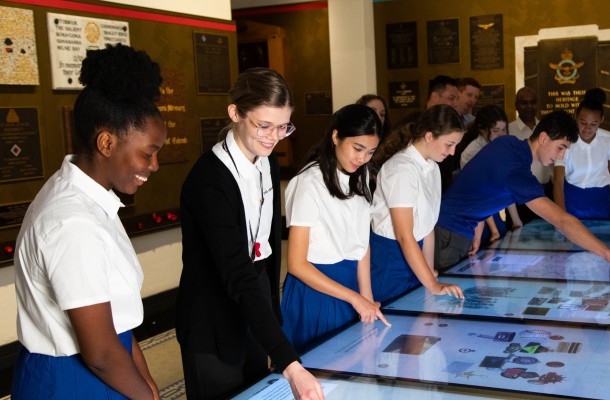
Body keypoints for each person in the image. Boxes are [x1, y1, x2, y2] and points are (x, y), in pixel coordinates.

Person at [12, 44, 164, 399]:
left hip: (110, 364)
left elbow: (117, 322)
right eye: (148, 153)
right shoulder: (72, 222)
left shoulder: (90, 200)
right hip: (71, 380)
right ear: (107, 142)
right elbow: (99, 354)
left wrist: (149, 386)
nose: (154, 166)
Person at [177, 68, 323, 400]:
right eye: (264, 125)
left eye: (283, 126)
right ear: (235, 113)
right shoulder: (209, 181)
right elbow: (237, 271)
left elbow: (267, 250)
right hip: (212, 322)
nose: (273, 137)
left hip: (252, 310)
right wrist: (290, 362)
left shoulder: (266, 160)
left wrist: (271, 320)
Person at [434, 110, 610, 277]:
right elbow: (562, 221)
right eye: (560, 147)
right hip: (449, 235)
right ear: (543, 138)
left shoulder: (507, 144)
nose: (560, 156)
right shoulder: (518, 172)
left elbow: (477, 183)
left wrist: (476, 226)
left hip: (449, 228)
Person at [281, 104, 389, 353]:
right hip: (316, 289)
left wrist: (368, 298)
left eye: (370, 152)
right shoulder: (309, 182)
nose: (362, 158)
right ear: (336, 136)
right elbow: (296, 264)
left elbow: (362, 245)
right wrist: (355, 298)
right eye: (357, 148)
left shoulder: (361, 176)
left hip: (351, 286)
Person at [370, 105, 466, 304]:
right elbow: (404, 235)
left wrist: (429, 274)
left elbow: (427, 228)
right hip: (392, 256)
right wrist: (432, 284)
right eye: (449, 144)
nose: (453, 152)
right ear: (429, 136)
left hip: (416, 252)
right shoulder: (401, 169)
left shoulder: (432, 167)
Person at [458, 105, 522, 244]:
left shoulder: (502, 149)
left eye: (504, 130)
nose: (501, 134)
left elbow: (506, 186)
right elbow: (480, 194)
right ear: (482, 130)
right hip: (476, 216)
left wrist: (516, 221)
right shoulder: (471, 152)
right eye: (496, 130)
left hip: (495, 210)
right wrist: (494, 230)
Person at [553, 88, 610, 219]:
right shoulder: (565, 140)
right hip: (573, 198)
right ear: (575, 116)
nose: (587, 128)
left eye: (593, 124)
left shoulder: (608, 139)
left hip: (602, 198)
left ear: (601, 119)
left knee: (605, 237)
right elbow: (558, 182)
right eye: (583, 122)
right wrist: (561, 214)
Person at [508, 87, 550, 223]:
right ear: (516, 105)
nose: (529, 106)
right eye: (524, 103)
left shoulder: (546, 129)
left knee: (548, 239)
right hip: (519, 197)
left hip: (546, 193)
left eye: (533, 102)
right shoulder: (508, 131)